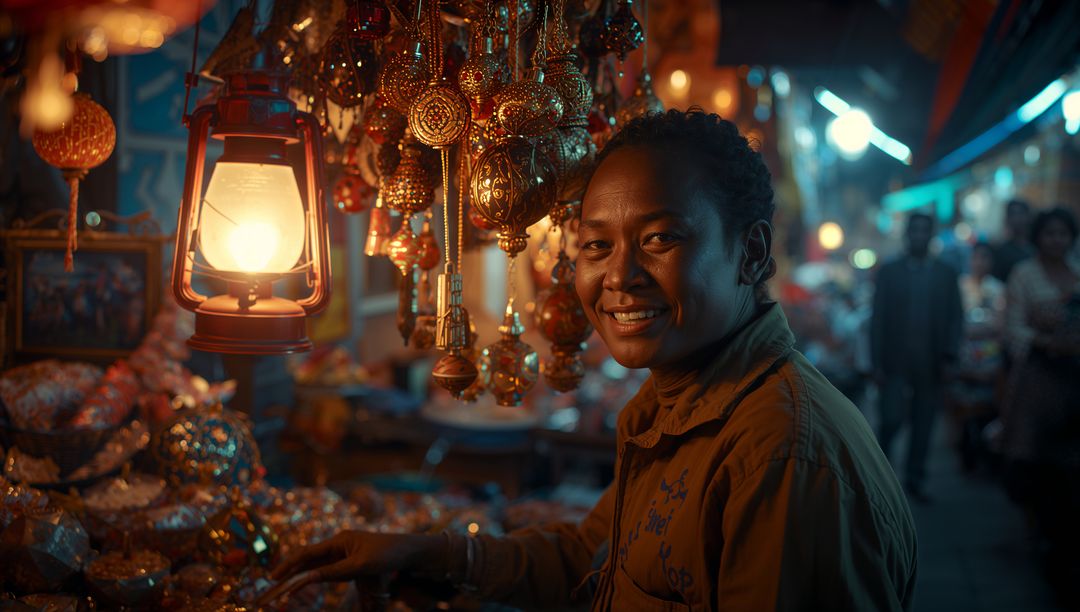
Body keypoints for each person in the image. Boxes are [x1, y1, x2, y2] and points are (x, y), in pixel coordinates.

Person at [272, 110, 917, 610]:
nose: (618, 276)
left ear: (751, 254)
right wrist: (430, 554)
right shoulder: (669, 402)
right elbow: (592, 556)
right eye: (596, 245)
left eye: (660, 238)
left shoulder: (779, 454)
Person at [999, 207, 1080, 603]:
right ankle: (1049, 543)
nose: (1057, 241)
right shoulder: (1024, 276)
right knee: (1042, 466)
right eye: (1050, 233)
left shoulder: (1078, 272)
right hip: (1040, 383)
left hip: (1076, 382)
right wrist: (1045, 341)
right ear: (1038, 237)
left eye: (1063, 234)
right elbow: (1011, 329)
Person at [870, 213, 963, 502]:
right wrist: (875, 363)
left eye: (925, 230)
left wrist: (950, 357)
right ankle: (880, 478)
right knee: (891, 419)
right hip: (894, 360)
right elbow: (878, 318)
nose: (919, 236)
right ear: (907, 234)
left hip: (932, 361)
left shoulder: (945, 274)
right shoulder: (890, 271)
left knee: (924, 422)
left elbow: (955, 318)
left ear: (931, 235)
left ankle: (915, 478)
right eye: (915, 230)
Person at [950, 241, 1005, 472]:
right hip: (964, 356)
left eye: (985, 258)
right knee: (963, 407)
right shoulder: (959, 287)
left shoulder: (999, 289)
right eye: (976, 257)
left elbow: (1001, 324)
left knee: (988, 405)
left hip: (991, 356)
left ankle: (986, 454)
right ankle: (966, 454)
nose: (980, 262)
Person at [992, 199, 1033, 283]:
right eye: (1013, 214)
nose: (1017, 218)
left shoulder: (1038, 247)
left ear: (1028, 216)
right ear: (1007, 218)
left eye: (1020, 213)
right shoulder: (1002, 251)